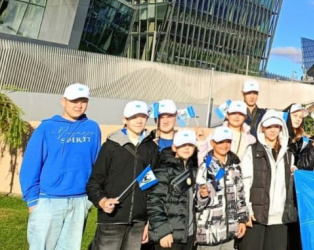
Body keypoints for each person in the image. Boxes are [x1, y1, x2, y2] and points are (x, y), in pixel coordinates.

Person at [20, 83, 101, 250]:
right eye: (74, 101)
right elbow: (30, 165)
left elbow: (97, 164)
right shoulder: (46, 128)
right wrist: (33, 201)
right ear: (63, 101)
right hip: (48, 201)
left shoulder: (92, 128)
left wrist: (89, 199)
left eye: (83, 101)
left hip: (79, 202)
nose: (79, 105)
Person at [86, 101, 159, 250]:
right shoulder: (110, 147)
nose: (139, 121)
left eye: (143, 116)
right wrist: (102, 201)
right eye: (134, 117)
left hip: (139, 223)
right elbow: (94, 182)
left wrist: (148, 221)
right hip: (112, 220)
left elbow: (153, 188)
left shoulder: (151, 148)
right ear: (124, 119)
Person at [240, 110, 298, 250]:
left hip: (280, 218)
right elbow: (244, 182)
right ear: (262, 128)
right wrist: (246, 210)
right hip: (256, 217)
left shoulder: (289, 155)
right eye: (269, 126)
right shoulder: (252, 151)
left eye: (276, 126)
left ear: (281, 128)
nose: (272, 130)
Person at [195, 126, 249, 250]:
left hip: (230, 234)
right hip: (208, 235)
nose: (224, 145)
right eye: (220, 142)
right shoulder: (204, 167)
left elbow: (240, 196)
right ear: (212, 143)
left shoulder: (235, 167)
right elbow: (197, 204)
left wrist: (242, 220)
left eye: (228, 141)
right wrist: (202, 196)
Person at [147, 129, 199, 250]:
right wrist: (163, 231)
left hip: (188, 235)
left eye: (190, 145)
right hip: (169, 237)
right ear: (174, 147)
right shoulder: (163, 170)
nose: (186, 148)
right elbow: (154, 203)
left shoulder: (194, 171)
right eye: (182, 145)